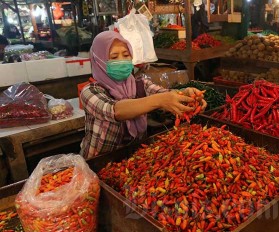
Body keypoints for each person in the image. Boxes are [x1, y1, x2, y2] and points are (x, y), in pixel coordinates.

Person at [80, 31, 207, 159]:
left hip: (134, 158)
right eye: (114, 57)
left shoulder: (140, 84)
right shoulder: (90, 91)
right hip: (98, 162)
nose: (122, 60)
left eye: (126, 55)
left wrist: (186, 94)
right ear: (99, 60)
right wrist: (160, 100)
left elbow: (163, 94)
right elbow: (115, 111)